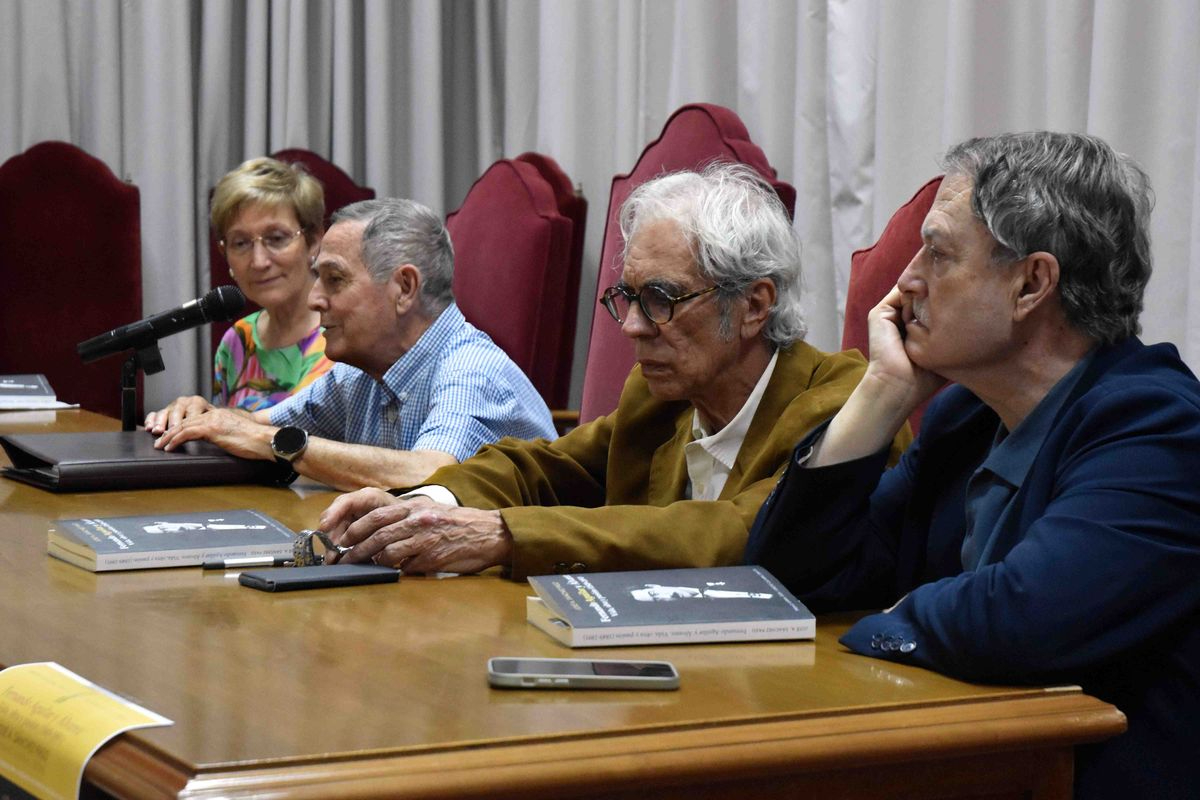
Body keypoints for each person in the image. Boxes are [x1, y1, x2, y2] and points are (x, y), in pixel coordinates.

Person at [745, 132, 1200, 799]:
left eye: (939, 252)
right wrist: (881, 395)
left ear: (1031, 284)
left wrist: (892, 615)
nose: (906, 281)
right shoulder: (966, 418)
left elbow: (1022, 619)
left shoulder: (1159, 429)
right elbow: (794, 578)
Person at [319, 162, 909, 577]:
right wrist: (430, 505)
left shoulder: (839, 405)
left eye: (662, 298)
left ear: (754, 305)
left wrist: (503, 535)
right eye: (626, 297)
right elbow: (539, 467)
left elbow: (734, 533)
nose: (631, 327)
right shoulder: (662, 398)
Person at [145, 198, 556, 491]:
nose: (314, 299)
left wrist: (272, 442)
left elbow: (431, 473)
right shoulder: (357, 374)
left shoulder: (470, 370)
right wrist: (205, 417)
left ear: (404, 288)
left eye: (334, 280)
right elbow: (260, 427)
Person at [210, 157, 334, 410]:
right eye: (241, 243)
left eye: (276, 238)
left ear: (313, 241)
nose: (258, 261)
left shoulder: (342, 336)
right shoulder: (237, 340)